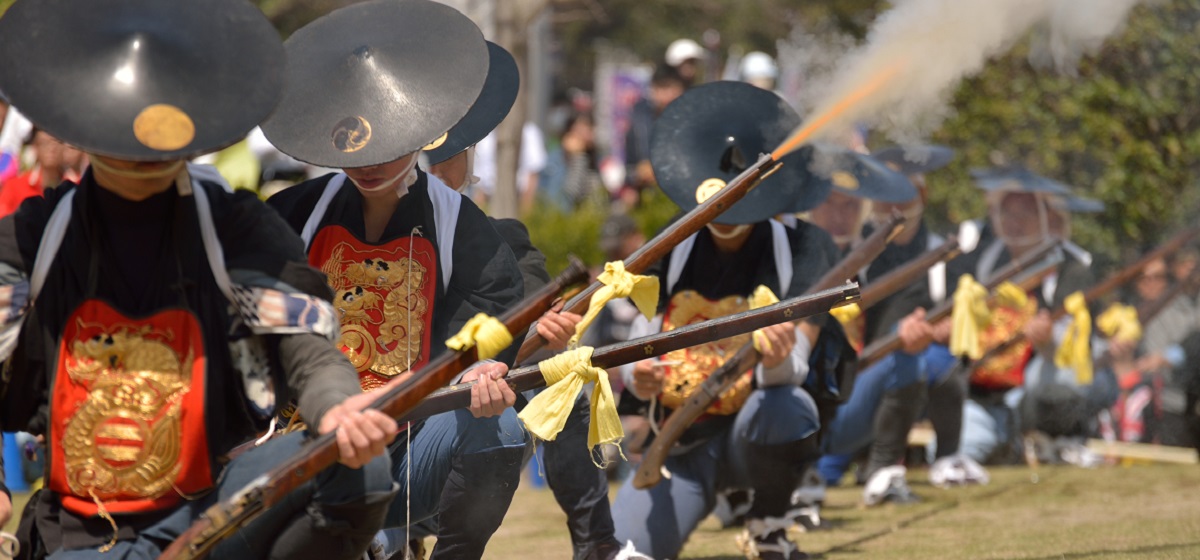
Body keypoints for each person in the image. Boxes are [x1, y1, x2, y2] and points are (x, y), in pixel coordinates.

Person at [0, 0, 399, 557]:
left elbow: (308, 353)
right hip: (82, 536)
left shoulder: (236, 227)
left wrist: (337, 408)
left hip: (209, 517)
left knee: (359, 468)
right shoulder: (33, 237)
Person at [259, 3, 527, 558]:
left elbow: (487, 330)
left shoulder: (463, 228)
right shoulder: (289, 217)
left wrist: (482, 371)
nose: (371, 161)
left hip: (411, 445)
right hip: (301, 446)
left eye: (391, 141)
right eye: (357, 140)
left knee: (498, 425)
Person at [611, 81, 837, 560]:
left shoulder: (805, 247)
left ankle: (769, 524)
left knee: (788, 406)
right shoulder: (667, 247)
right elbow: (642, 338)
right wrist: (640, 375)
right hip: (680, 442)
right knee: (624, 550)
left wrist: (777, 359)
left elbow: (799, 360)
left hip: (754, 430)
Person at [423, 40, 619, 560]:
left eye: (451, 156)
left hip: (484, 396)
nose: (440, 170)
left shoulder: (503, 236)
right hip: (402, 406)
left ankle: (597, 543)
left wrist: (543, 336)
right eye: (428, 159)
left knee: (567, 384)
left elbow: (533, 312)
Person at [622, 65, 687, 205]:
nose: (668, 95)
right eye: (662, 88)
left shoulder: (691, 119)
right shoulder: (638, 120)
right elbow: (626, 169)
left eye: (672, 88)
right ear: (652, 90)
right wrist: (638, 174)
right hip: (648, 200)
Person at [0, 130, 87, 216]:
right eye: (44, 143)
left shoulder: (77, 189)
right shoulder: (15, 187)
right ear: (35, 147)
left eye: (56, 143)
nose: (51, 149)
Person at [538, 112, 602, 212]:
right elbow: (569, 194)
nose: (590, 135)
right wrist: (578, 157)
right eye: (584, 129)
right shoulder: (558, 159)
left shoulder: (592, 157)